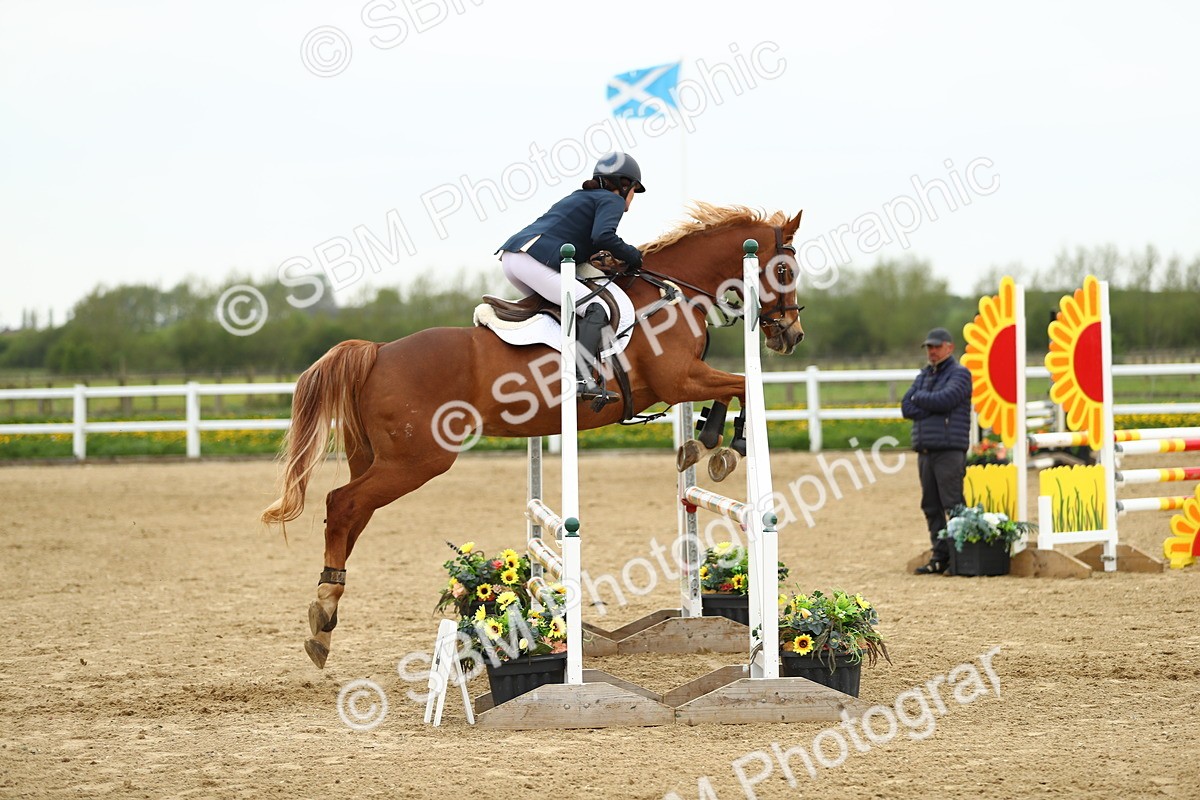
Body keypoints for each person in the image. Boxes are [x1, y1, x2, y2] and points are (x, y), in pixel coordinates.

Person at [496, 152, 645, 406]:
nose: (633, 197)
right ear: (624, 185)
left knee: (568, 312)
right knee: (596, 307)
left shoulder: (580, 196)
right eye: (634, 190)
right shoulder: (612, 199)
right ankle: (580, 378)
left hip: (514, 259)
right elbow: (603, 236)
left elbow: (586, 241)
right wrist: (634, 256)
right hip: (533, 261)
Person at [901, 327, 973, 574]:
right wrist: (931, 405)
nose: (932, 351)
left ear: (949, 347)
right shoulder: (924, 374)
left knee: (953, 505)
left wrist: (921, 399)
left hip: (949, 450)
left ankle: (960, 557)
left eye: (936, 346)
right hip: (926, 450)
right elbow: (906, 406)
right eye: (929, 347)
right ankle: (940, 556)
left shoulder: (960, 374)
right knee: (931, 506)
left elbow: (946, 400)